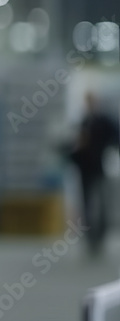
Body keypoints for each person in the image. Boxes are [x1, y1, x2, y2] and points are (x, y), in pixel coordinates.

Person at [68, 91, 120, 255]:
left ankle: (100, 236)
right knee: (87, 204)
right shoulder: (84, 122)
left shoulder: (104, 121)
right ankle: (90, 238)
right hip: (85, 169)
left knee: (102, 203)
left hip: (100, 168)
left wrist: (109, 153)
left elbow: (115, 138)